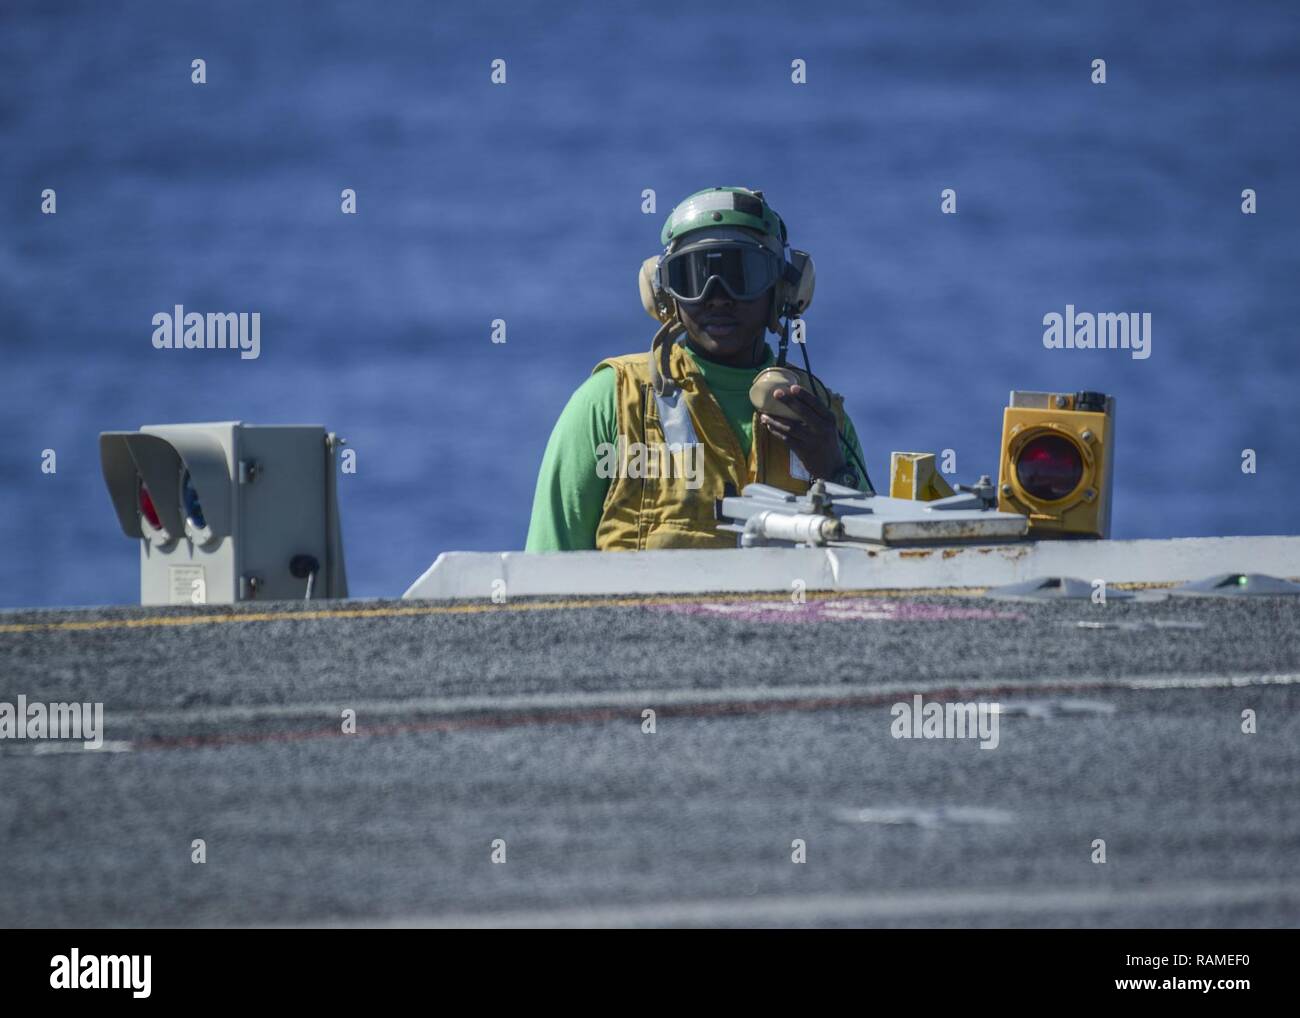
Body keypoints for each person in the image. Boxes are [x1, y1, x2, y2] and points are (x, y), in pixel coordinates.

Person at [526, 186, 869, 551]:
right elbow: (545, 571)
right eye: (693, 276)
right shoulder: (611, 402)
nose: (717, 296)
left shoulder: (822, 419)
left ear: (784, 289)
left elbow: (873, 574)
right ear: (664, 294)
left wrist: (834, 474)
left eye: (741, 274)